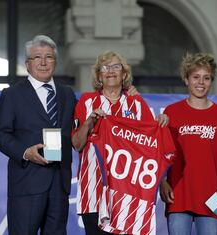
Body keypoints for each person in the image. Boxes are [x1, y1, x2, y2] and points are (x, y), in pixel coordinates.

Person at [71, 51, 169, 234]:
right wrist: (89, 122)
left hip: (129, 194)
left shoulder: (137, 105)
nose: (110, 71)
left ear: (124, 74)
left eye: (116, 67)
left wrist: (160, 121)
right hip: (93, 191)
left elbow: (152, 147)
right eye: (105, 68)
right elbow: (76, 144)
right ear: (99, 75)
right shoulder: (87, 101)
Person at [0, 35, 76, 235]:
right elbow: (1, 136)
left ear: (55, 62)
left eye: (49, 57)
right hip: (26, 183)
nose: (43, 62)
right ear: (27, 64)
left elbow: (82, 124)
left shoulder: (67, 94)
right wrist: (25, 152)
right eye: (37, 57)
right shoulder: (12, 94)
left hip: (59, 185)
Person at [160, 53, 217, 235]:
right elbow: (160, 153)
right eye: (196, 77)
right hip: (178, 195)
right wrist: (162, 182)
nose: (201, 82)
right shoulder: (172, 112)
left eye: (206, 78)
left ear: (211, 81)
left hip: (213, 196)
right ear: (186, 79)